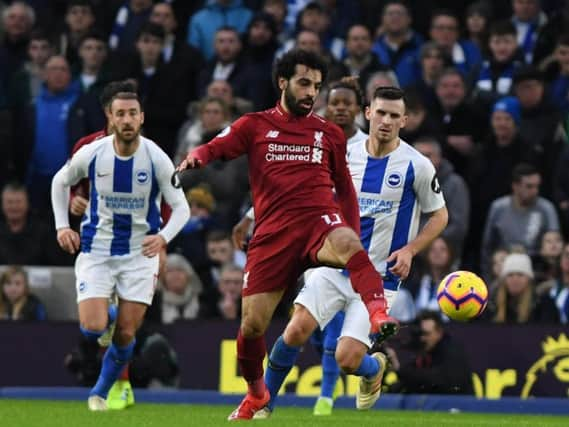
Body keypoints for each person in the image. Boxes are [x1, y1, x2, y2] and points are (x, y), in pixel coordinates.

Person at [176, 49, 400, 420]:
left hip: (318, 222)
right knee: (251, 328)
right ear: (283, 82)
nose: (312, 92)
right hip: (272, 237)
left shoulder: (328, 133)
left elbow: (343, 188)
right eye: (304, 83)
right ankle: (256, 394)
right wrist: (198, 155)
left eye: (316, 85)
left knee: (347, 245)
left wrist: (352, 231)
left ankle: (378, 317)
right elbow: (219, 144)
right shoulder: (255, 125)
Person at [233, 85, 448, 417]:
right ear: (368, 113)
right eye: (381, 113)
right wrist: (251, 216)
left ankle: (373, 370)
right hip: (332, 265)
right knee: (295, 330)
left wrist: (410, 250)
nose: (386, 121)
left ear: (404, 120)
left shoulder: (416, 165)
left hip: (378, 279)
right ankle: (262, 404)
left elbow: (440, 215)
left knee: (347, 358)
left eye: (394, 115)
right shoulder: (345, 152)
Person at [50, 90, 190, 411]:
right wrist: (62, 226)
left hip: (140, 255)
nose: (127, 120)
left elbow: (181, 208)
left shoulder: (156, 157)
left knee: (127, 333)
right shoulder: (93, 152)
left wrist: (164, 238)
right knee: (93, 327)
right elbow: (60, 182)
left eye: (133, 113)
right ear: (110, 119)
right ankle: (108, 315)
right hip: (97, 249)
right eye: (120, 114)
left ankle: (100, 391)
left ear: (141, 118)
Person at [385, 310, 474, 394]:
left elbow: (439, 380)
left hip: (460, 406)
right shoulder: (426, 351)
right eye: (420, 334)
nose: (422, 338)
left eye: (426, 334)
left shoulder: (452, 351)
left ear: (439, 332)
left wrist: (400, 369)